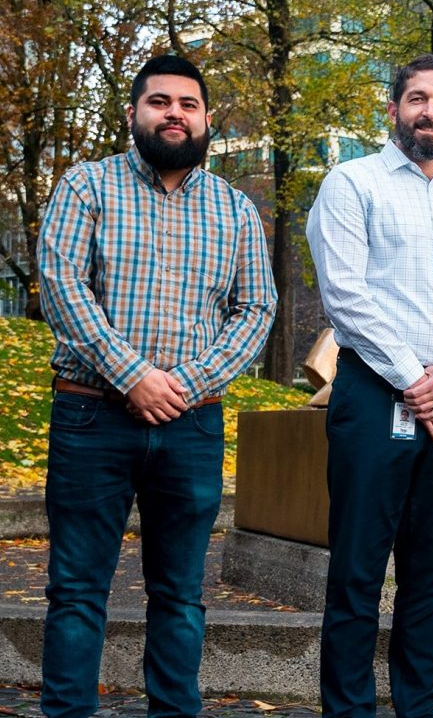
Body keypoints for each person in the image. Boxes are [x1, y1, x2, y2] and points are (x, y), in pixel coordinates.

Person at [36, 54, 277, 718]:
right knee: (77, 591)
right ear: (133, 112)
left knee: (180, 595)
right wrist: (133, 375)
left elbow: (257, 309)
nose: (175, 113)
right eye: (160, 101)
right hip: (92, 417)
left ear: (206, 119)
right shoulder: (86, 186)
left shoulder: (235, 208)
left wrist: (185, 384)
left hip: (192, 425)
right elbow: (61, 285)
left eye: (188, 104)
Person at [306, 54, 433, 718]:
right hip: (374, 395)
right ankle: (349, 710)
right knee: (357, 571)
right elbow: (346, 297)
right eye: (417, 98)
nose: (430, 111)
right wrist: (415, 379)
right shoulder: (351, 184)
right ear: (393, 109)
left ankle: (417, 706)